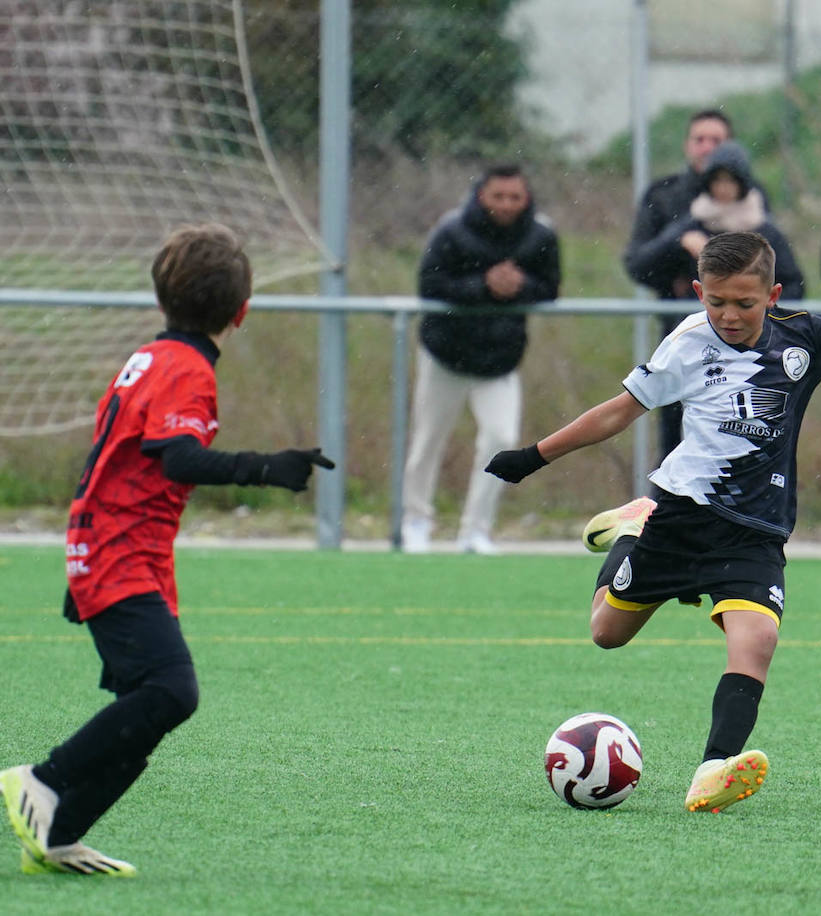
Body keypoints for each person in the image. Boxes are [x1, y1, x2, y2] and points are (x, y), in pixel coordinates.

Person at [484, 232, 821, 813]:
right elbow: (618, 411)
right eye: (715, 302)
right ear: (698, 293)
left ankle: (714, 768)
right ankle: (635, 526)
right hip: (682, 514)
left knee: (757, 639)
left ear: (773, 294)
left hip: (755, 530)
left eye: (745, 303)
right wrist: (534, 455)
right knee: (605, 634)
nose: (729, 316)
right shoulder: (686, 345)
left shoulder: (805, 337)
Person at [1, 224, 333, 877]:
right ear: (241, 312)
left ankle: (59, 833)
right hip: (119, 548)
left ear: (163, 299)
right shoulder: (185, 369)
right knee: (171, 692)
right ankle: (42, 780)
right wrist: (268, 469)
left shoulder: (154, 357)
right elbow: (178, 458)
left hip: (120, 546)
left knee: (146, 704)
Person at [400, 163, 561, 554]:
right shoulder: (451, 230)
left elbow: (549, 287)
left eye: (515, 197)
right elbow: (430, 284)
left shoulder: (540, 235)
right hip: (445, 354)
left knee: (502, 437)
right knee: (428, 440)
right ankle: (416, 521)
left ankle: (475, 530)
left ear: (526, 199)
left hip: (500, 360)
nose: (506, 205)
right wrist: (483, 285)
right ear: (480, 196)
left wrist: (520, 286)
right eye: (498, 196)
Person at [623, 109, 759, 461]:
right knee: (676, 443)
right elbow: (637, 264)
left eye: (717, 141)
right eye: (700, 139)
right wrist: (681, 241)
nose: (707, 148)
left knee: (739, 439)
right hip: (681, 337)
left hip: (742, 342)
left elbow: (775, 268)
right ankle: (667, 513)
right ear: (687, 145)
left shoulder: (753, 200)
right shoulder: (664, 194)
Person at [625, 140, 803, 302]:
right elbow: (641, 266)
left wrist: (757, 308)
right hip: (698, 330)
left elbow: (793, 285)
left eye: (730, 180)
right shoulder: (693, 223)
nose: (723, 188)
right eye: (717, 180)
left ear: (742, 184)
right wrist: (679, 243)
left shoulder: (764, 230)